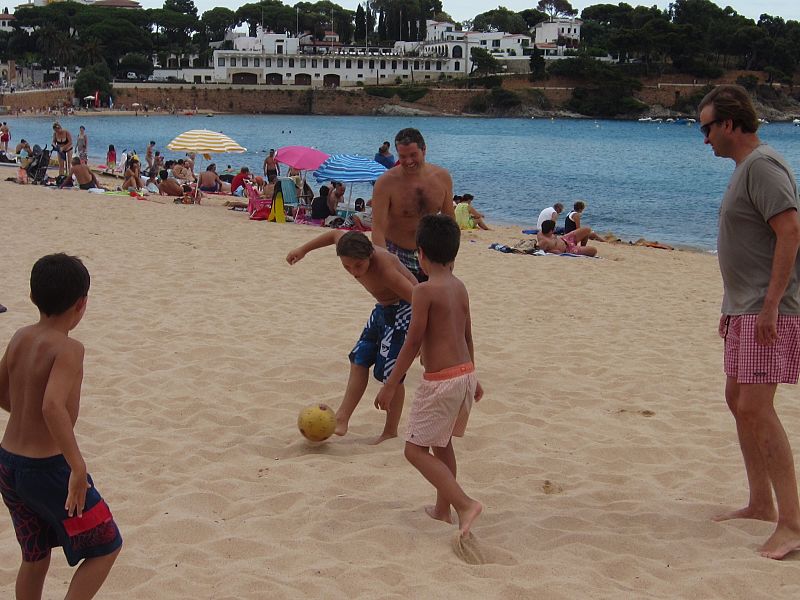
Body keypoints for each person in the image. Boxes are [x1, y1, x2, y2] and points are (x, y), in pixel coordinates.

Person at [699, 84, 800, 560]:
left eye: (707, 128)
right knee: (737, 399)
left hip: (767, 308)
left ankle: (793, 523)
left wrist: (771, 303)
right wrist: (734, 301)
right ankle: (760, 502)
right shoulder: (745, 168)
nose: (705, 139)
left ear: (730, 124)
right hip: (743, 305)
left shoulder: (763, 165)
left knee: (758, 407)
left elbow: (790, 230)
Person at [0, 253, 123, 599]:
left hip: (8, 465)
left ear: (32, 296)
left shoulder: (21, 336)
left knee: (35, 555)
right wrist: (77, 466)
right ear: (82, 304)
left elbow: (2, 392)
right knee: (106, 545)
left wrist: (24, 411)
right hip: (47, 468)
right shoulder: (69, 348)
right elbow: (52, 405)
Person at [375, 214, 484, 537]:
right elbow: (467, 335)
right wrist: (473, 376)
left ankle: (464, 504)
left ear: (419, 253)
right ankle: (442, 509)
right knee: (442, 443)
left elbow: (412, 342)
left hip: (441, 383)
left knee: (414, 450)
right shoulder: (459, 286)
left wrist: (390, 384)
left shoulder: (424, 291)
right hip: (463, 374)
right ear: (454, 253)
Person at [286, 230, 417, 444]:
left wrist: (420, 339)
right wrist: (303, 250)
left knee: (391, 373)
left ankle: (390, 431)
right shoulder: (348, 244)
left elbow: (418, 300)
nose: (354, 272)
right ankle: (342, 418)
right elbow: (334, 234)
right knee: (359, 358)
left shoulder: (385, 270)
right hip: (383, 309)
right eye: (347, 267)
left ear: (369, 256)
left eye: (358, 266)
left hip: (405, 311)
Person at [371, 128, 455, 282]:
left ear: (424, 150)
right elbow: (377, 229)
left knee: (435, 302)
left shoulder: (442, 177)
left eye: (413, 155)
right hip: (397, 252)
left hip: (432, 252)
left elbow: (449, 221)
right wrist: (385, 263)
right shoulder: (386, 183)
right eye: (402, 156)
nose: (408, 161)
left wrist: (450, 258)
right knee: (401, 304)